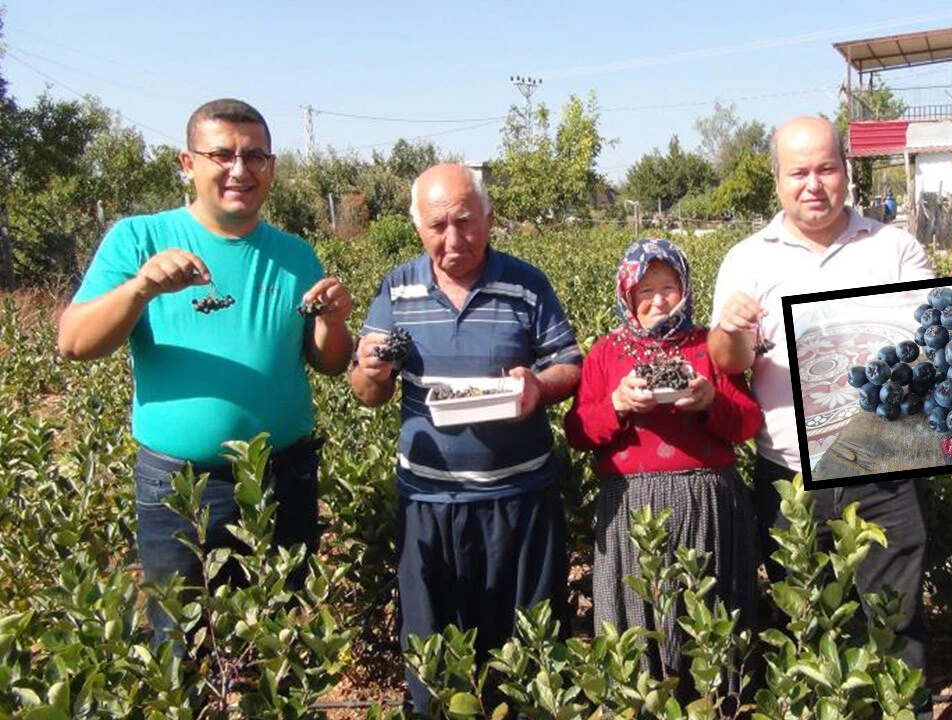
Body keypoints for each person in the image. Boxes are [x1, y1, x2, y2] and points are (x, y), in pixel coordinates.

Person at [56, 98, 354, 649]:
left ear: (272, 166)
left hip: (282, 481)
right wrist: (141, 287)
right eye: (222, 155)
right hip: (182, 488)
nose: (241, 170)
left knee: (282, 642)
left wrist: (334, 324)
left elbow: (329, 363)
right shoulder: (139, 240)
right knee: (185, 644)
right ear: (187, 163)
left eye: (256, 156)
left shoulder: (295, 254)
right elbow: (74, 342)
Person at [708, 115, 936, 719]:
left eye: (826, 168)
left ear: (846, 171)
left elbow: (934, 342)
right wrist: (732, 329)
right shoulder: (747, 258)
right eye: (799, 172)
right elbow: (727, 363)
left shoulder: (894, 247)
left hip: (885, 462)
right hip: (790, 475)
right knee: (802, 621)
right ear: (777, 180)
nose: (814, 184)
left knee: (894, 621)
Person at [348, 163, 582, 713]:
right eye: (437, 226)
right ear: (416, 227)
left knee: (531, 660)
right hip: (429, 504)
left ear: (488, 218)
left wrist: (536, 387)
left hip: (520, 501)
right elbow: (367, 388)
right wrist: (370, 371)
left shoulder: (526, 283)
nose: (453, 239)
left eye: (465, 221)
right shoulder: (397, 288)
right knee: (434, 662)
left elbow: (568, 364)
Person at [564, 237, 762, 700]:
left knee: (710, 614)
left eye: (668, 287)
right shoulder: (606, 354)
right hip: (631, 508)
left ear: (685, 289)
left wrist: (711, 401)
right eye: (645, 290)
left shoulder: (709, 348)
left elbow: (748, 421)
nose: (657, 300)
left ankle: (717, 705)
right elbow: (576, 431)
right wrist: (616, 404)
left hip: (707, 505)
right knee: (639, 619)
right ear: (627, 295)